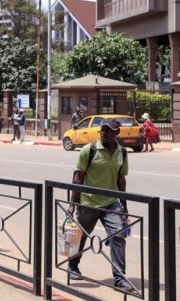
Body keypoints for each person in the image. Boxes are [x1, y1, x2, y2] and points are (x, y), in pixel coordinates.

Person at [67, 120, 134, 293]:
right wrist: (72, 205)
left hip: (111, 204)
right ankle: (72, 266)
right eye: (102, 129)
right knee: (80, 236)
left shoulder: (122, 153)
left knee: (118, 237)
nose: (104, 132)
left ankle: (119, 278)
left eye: (108, 130)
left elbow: (121, 179)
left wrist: (124, 206)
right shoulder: (89, 150)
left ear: (116, 133)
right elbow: (77, 178)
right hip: (88, 202)